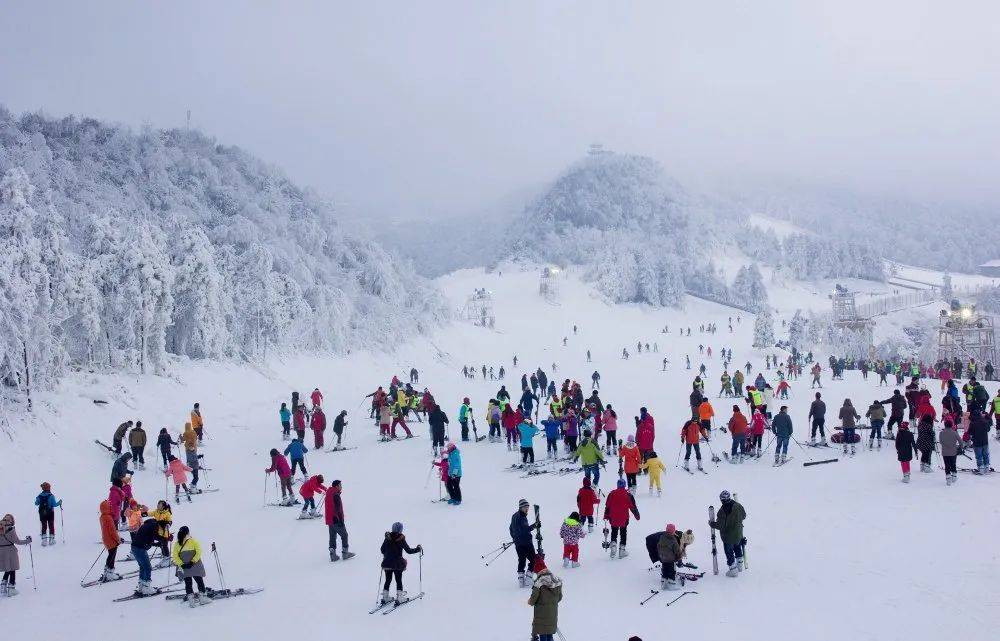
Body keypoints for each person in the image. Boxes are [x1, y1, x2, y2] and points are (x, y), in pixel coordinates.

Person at [380, 522, 422, 605]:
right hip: (397, 563)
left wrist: (387, 553)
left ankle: (385, 597)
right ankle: (400, 598)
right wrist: (418, 549)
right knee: (398, 579)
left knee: (388, 579)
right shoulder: (400, 538)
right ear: (400, 529)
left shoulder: (387, 538)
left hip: (387, 562)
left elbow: (382, 550)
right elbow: (408, 551)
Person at [709, 490, 746, 577]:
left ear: (721, 499)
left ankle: (733, 570)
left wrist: (711, 524)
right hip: (738, 533)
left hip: (728, 536)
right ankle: (740, 565)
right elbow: (744, 516)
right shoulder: (738, 506)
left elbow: (720, 526)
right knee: (737, 547)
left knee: (729, 552)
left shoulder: (722, 511)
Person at [172, 526, 212, 607]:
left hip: (184, 567)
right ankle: (202, 598)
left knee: (188, 583)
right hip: (195, 565)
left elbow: (175, 556)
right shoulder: (193, 541)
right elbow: (198, 552)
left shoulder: (177, 544)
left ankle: (191, 602)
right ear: (188, 532)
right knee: (199, 581)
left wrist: (181, 564)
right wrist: (193, 561)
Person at [130, 516, 170, 596]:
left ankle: (142, 586)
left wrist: (157, 543)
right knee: (148, 567)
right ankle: (146, 587)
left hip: (135, 547)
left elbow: (149, 538)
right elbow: (155, 536)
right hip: (140, 548)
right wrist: (165, 539)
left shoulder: (149, 524)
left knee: (142, 566)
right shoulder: (154, 525)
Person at [527, 557, 563, 641]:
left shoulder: (539, 583)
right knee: (549, 632)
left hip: (541, 614)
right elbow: (560, 597)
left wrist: (530, 601)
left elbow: (533, 599)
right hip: (553, 613)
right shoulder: (556, 581)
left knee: (543, 633)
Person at [604, 479, 640, 558]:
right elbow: (633, 507)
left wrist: (606, 515)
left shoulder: (611, 494)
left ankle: (613, 544)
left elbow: (607, 506)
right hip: (624, 518)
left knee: (614, 531)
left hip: (613, 517)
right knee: (623, 533)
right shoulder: (628, 495)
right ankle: (622, 550)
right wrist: (637, 516)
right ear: (625, 485)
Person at [510, 499, 540, 587]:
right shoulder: (521, 517)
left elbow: (511, 528)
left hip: (518, 543)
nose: (527, 509)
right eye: (525, 507)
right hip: (526, 542)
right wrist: (535, 525)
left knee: (522, 560)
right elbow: (525, 529)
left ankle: (521, 580)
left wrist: (514, 538)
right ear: (520, 507)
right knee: (533, 560)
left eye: (527, 507)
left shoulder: (514, 516)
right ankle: (528, 579)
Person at [0, 514, 31, 596]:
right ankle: (11, 588)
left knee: (7, 568)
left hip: (1, 551)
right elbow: (17, 541)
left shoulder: (0, 527)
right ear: (11, 520)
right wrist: (27, 541)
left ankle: (3, 586)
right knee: (12, 568)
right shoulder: (11, 529)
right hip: (10, 551)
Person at [324, 480, 353, 561]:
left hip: (330, 520)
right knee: (344, 535)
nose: (341, 487)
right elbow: (337, 509)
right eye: (340, 485)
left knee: (332, 537)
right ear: (336, 486)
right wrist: (340, 520)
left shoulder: (329, 493)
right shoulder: (335, 495)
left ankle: (333, 555)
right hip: (336, 519)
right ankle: (345, 553)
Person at [99, 500, 124, 582]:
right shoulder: (108, 518)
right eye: (109, 506)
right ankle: (110, 573)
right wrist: (118, 540)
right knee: (112, 556)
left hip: (106, 539)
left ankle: (107, 571)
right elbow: (112, 531)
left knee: (110, 555)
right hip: (111, 540)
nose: (110, 507)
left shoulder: (102, 517)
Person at [656, 523, 684, 590]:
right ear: (673, 532)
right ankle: (671, 584)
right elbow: (677, 550)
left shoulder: (662, 537)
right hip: (671, 559)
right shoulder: (673, 539)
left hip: (663, 558)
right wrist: (679, 558)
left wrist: (660, 555)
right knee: (671, 571)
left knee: (665, 569)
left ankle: (663, 581)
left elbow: (658, 546)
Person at [34, 482, 62, 546]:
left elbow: (36, 503)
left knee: (44, 525)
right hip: (50, 513)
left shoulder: (39, 496)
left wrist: (37, 499)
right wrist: (59, 502)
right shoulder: (51, 496)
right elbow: (54, 504)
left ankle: (44, 540)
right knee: (51, 525)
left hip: (42, 513)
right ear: (49, 488)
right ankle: (51, 540)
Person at [968, 410, 992, 474]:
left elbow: (969, 432)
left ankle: (980, 468)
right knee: (985, 455)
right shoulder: (984, 421)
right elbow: (988, 429)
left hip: (977, 442)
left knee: (979, 456)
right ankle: (987, 467)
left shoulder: (972, 423)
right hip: (985, 441)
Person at [939, 419, 960, 485]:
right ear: (951, 425)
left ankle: (948, 479)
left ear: (945, 425)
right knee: (953, 464)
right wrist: (959, 447)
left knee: (947, 465)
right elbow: (961, 442)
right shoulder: (954, 433)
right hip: (953, 451)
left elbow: (941, 442)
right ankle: (954, 476)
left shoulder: (941, 433)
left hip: (945, 452)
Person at [181, 422, 200, 489]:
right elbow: (196, 438)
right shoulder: (193, 432)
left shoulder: (185, 433)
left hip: (188, 448)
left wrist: (181, 437)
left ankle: (189, 465)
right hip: (194, 448)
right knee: (194, 455)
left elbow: (182, 440)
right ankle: (193, 486)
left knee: (189, 457)